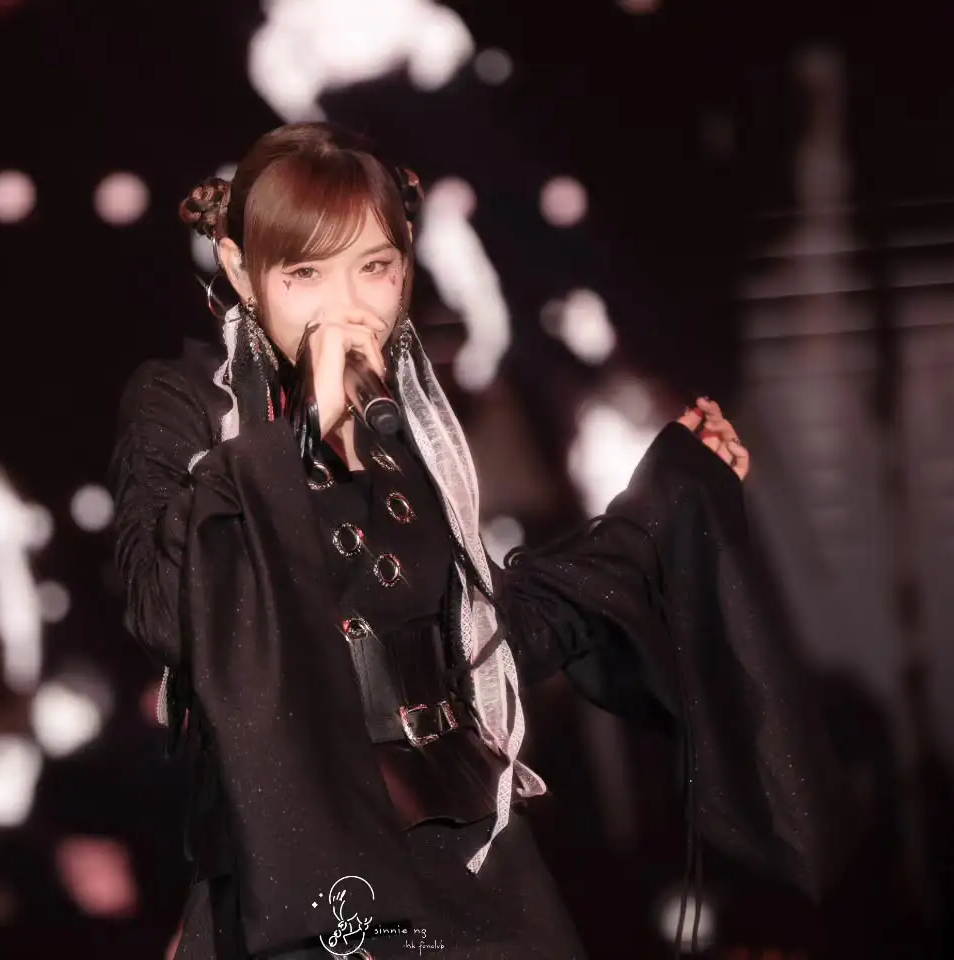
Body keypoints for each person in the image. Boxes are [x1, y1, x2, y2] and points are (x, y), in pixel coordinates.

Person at [110, 122, 851, 960]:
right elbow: (167, 610)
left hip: (460, 848)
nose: (346, 306)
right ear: (243, 272)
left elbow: (492, 637)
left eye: (373, 267)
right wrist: (302, 438)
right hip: (301, 871)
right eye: (305, 273)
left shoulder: (412, 424)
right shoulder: (188, 405)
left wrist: (658, 507)